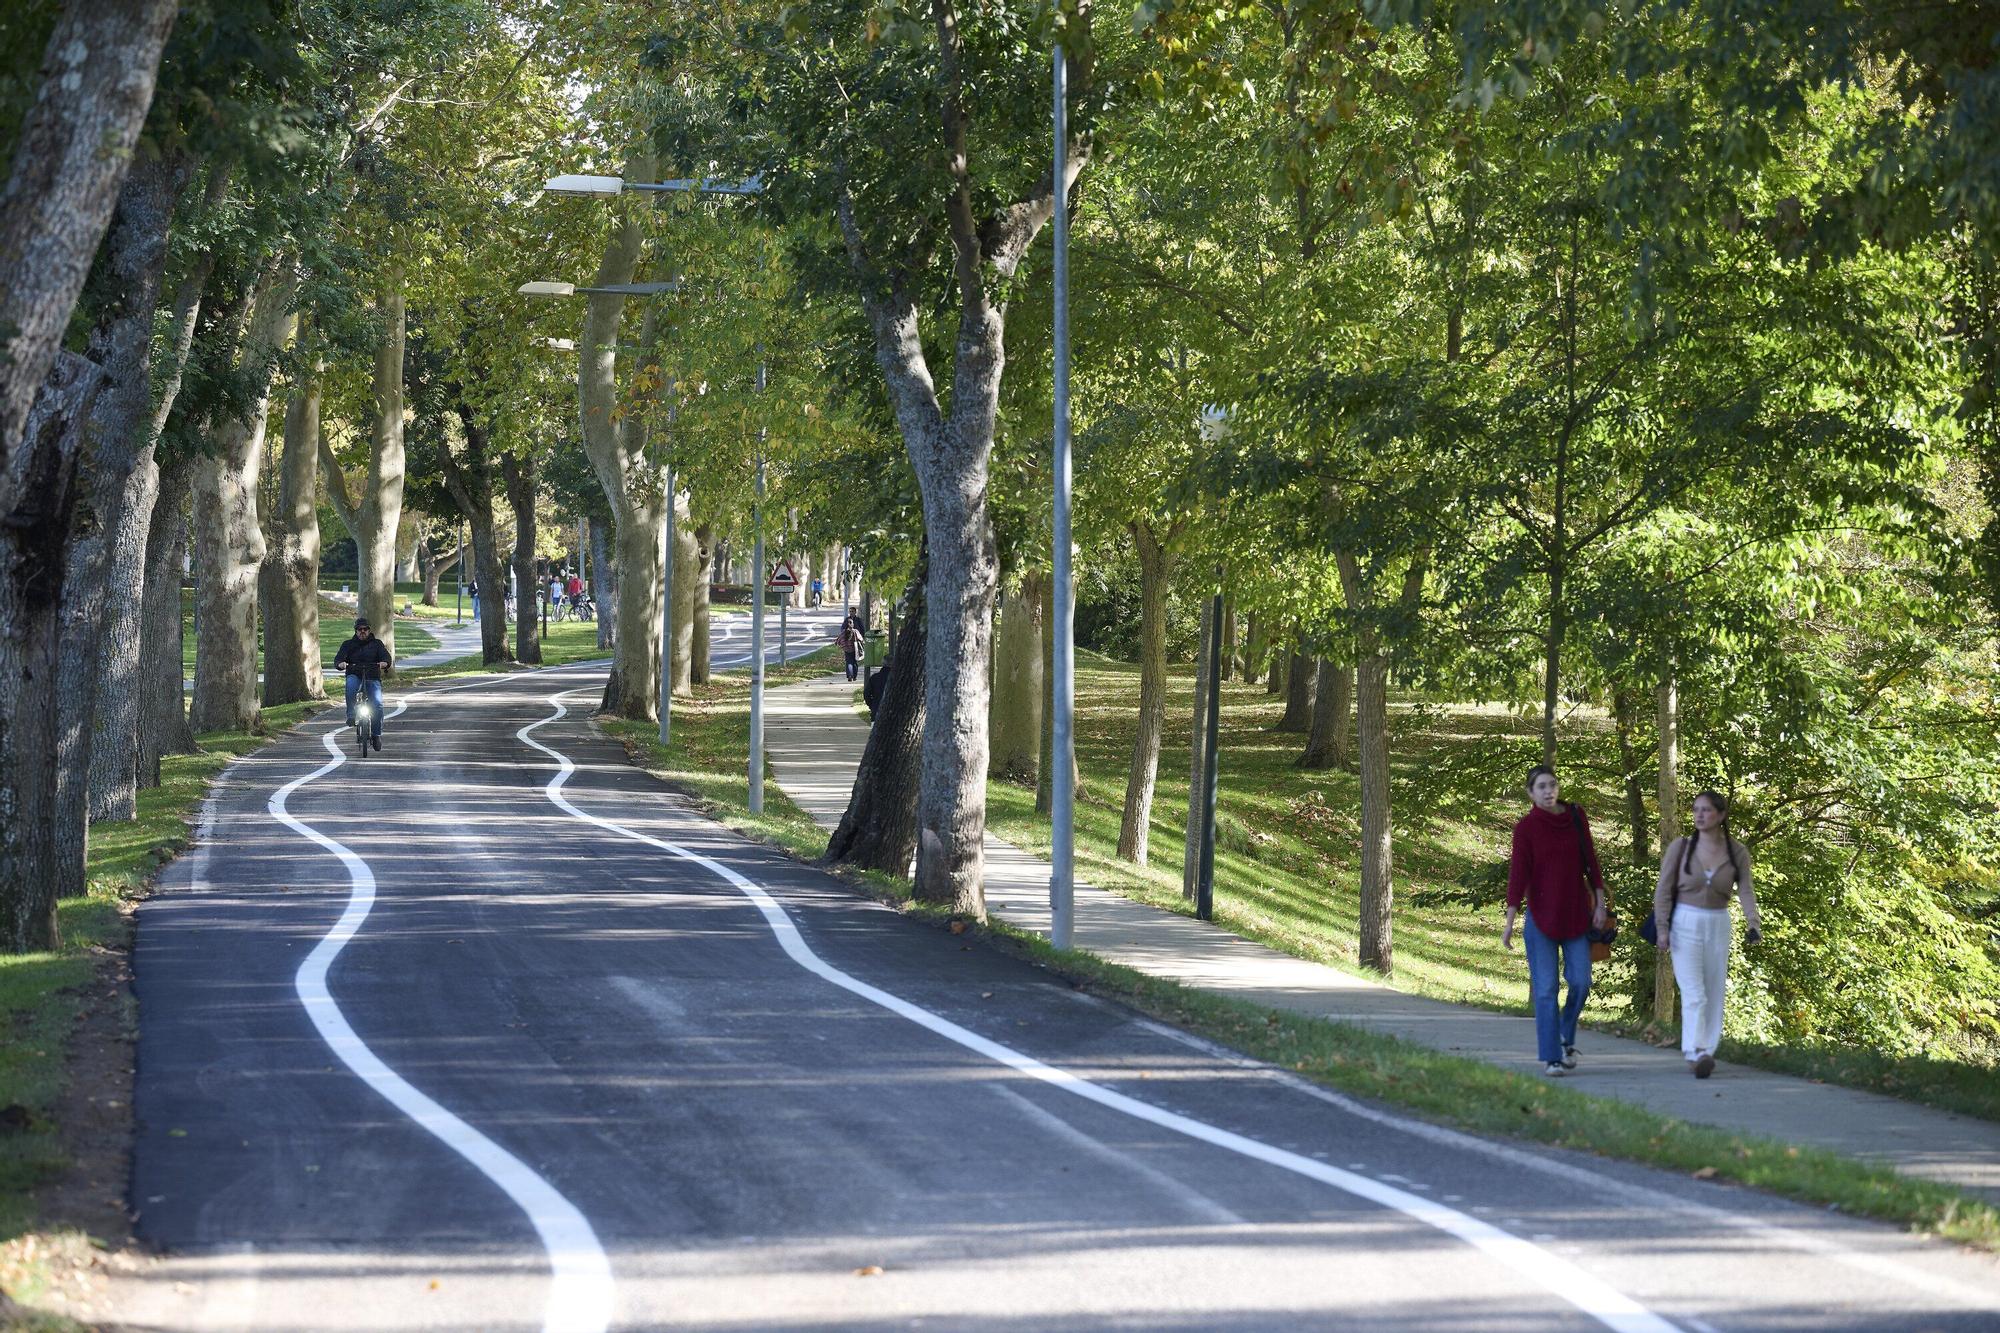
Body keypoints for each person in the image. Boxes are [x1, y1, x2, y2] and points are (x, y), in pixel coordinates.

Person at [1502, 764, 1609, 1077]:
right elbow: (1518, 876)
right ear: (1531, 794)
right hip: (1541, 920)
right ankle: (1551, 1057)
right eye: (1541, 787)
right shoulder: (1526, 829)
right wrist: (1510, 921)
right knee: (1546, 989)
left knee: (1581, 982)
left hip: (1577, 916)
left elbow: (1591, 862)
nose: (1549, 791)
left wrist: (1600, 903)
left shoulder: (1576, 817)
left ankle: (1565, 1036)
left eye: (1552, 785)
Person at [1655, 791, 1763, 1078]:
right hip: (1684, 923)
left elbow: (1747, 890)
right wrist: (1662, 928)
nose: (1700, 815)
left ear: (1721, 815)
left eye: (1706, 810)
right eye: (1696, 810)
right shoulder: (1681, 847)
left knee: (1713, 990)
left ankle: (1706, 1050)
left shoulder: (1736, 851)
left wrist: (1754, 922)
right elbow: (1663, 890)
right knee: (1694, 992)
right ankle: (1696, 1050)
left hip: (1718, 923)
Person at [332, 617, 393, 751]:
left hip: (372, 676)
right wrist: (340, 664)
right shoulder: (348, 644)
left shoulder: (377, 644)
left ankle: (376, 735)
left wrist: (385, 663)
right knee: (351, 687)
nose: (362, 632)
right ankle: (351, 715)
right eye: (359, 630)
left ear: (369, 630)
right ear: (356, 631)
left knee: (377, 704)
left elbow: (386, 657)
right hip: (354, 673)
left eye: (365, 629)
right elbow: (338, 659)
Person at [838, 615, 865, 682]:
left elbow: (839, 640)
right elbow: (861, 639)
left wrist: (840, 645)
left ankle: (850, 675)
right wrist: (863, 642)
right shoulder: (855, 631)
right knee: (854, 662)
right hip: (855, 649)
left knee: (848, 662)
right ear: (852, 624)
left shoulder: (843, 632)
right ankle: (854, 676)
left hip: (847, 650)